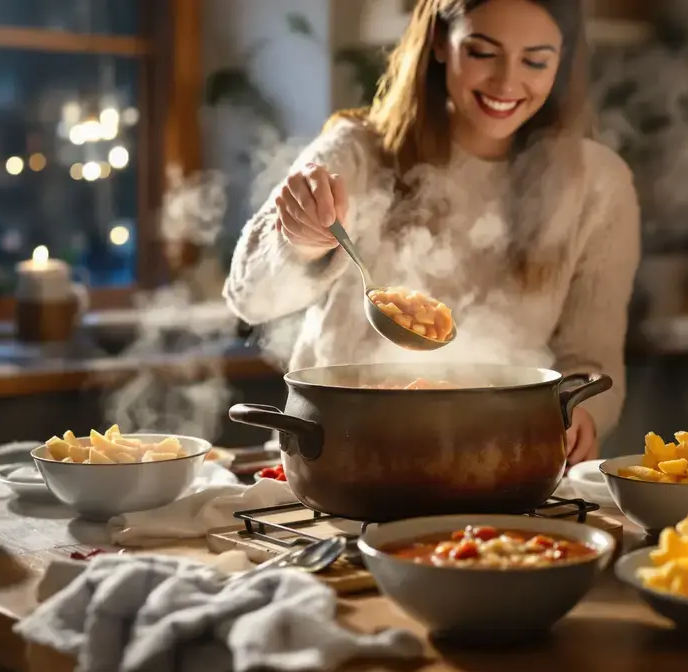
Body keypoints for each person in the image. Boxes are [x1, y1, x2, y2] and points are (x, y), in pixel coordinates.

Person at [224, 0, 640, 466]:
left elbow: (591, 359)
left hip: (496, 462)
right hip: (337, 456)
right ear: (441, 41)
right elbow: (248, 296)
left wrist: (580, 413)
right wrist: (300, 242)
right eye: (483, 53)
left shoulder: (598, 184)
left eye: (535, 61)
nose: (506, 82)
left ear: (562, 61)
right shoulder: (357, 151)